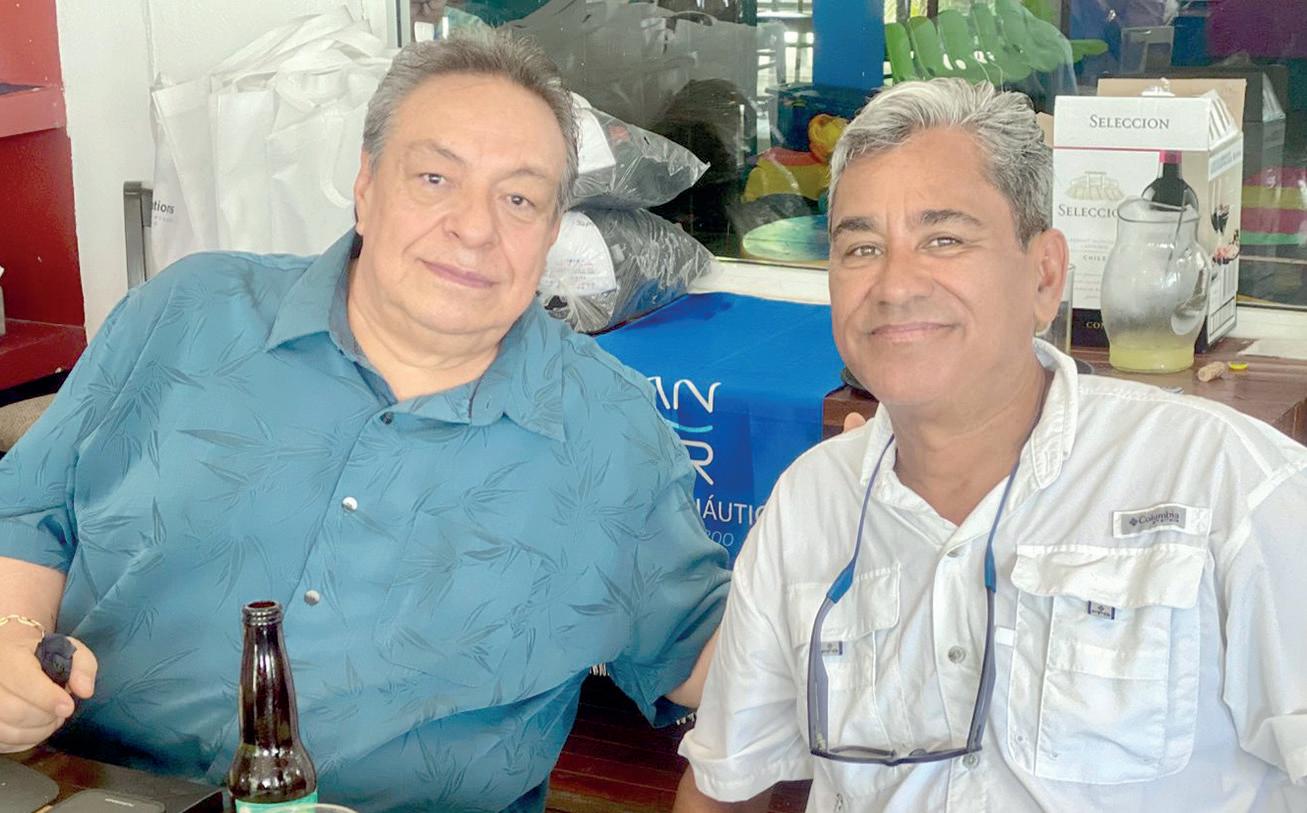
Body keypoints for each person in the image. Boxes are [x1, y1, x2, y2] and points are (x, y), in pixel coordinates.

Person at [0, 33, 729, 812]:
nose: (474, 227)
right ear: (366, 183)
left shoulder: (606, 429)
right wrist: (10, 634)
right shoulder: (188, 313)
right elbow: (30, 512)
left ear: (551, 232)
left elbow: (706, 654)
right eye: (435, 177)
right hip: (99, 791)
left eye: (518, 199)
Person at [675, 77, 1307, 812]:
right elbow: (726, 785)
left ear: (1043, 275)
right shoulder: (811, 503)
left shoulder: (1226, 483)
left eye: (944, 239)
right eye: (861, 247)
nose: (895, 285)